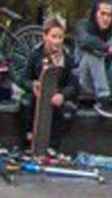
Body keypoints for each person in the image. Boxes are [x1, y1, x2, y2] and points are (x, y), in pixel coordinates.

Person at [14, 17, 80, 151]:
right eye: (53, 36)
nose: (57, 41)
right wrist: (33, 85)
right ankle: (28, 140)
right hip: (38, 96)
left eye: (60, 37)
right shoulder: (35, 54)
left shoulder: (67, 58)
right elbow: (23, 79)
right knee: (26, 104)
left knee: (68, 111)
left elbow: (74, 85)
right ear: (45, 37)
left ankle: (53, 145)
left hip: (56, 96)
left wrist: (62, 95)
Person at [73, 0, 112, 116]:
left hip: (105, 78)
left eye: (109, 15)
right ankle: (103, 99)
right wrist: (109, 48)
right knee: (94, 52)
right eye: (103, 14)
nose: (106, 18)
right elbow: (86, 41)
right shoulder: (83, 25)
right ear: (95, 13)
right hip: (83, 79)